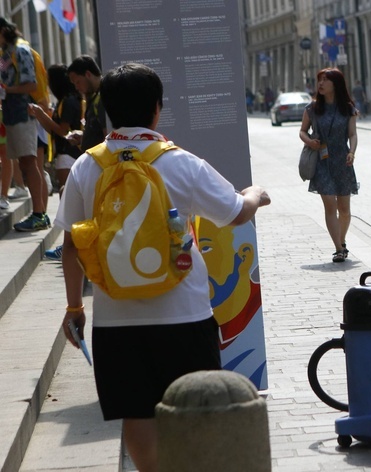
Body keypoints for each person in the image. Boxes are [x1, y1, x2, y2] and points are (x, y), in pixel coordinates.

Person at [55, 63, 271, 472]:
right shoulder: (180, 162)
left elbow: (70, 247)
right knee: (195, 409)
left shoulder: (87, 167)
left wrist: (74, 308)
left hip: (115, 321)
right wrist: (254, 194)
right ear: (157, 109)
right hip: (184, 314)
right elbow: (235, 213)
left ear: (108, 112)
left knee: (137, 414)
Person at [299, 68, 359, 263]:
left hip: (342, 161)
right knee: (329, 206)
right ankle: (338, 249)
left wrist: (352, 152)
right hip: (322, 162)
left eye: (325, 80)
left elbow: (352, 134)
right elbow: (302, 131)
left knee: (344, 209)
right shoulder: (312, 108)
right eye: (319, 80)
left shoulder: (347, 108)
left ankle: (342, 241)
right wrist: (309, 142)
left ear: (336, 84)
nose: (321, 84)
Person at [29, 64, 83, 261]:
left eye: (50, 81)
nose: (48, 85)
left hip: (68, 155)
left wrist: (42, 115)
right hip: (67, 155)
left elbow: (62, 131)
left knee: (69, 202)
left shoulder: (68, 101)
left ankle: (69, 245)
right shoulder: (68, 100)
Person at [0, 17, 50, 231]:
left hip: (24, 113)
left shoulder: (20, 50)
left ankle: (39, 214)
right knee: (25, 163)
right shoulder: (7, 51)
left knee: (30, 163)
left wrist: (7, 90)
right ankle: (38, 212)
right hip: (12, 113)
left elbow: (31, 84)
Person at [67, 55, 107, 152]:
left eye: (78, 82)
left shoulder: (103, 98)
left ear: (88, 74)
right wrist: (84, 137)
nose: (77, 88)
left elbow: (108, 138)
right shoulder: (95, 98)